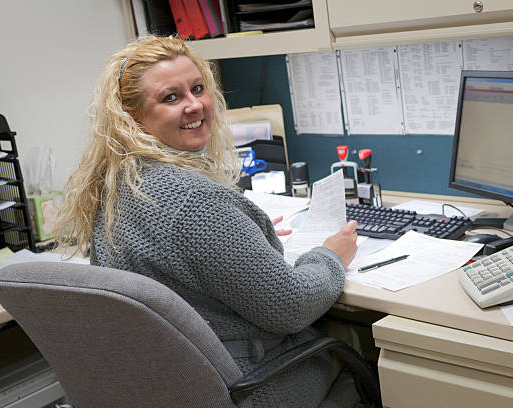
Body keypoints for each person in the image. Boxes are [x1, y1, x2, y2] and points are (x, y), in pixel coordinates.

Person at [56, 35, 360, 407]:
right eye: (171, 97)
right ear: (133, 115)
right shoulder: (192, 200)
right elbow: (291, 304)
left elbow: (180, 257)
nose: (195, 105)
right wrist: (330, 255)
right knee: (359, 343)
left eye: (198, 88)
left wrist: (241, 238)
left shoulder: (120, 183)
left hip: (169, 384)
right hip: (245, 385)